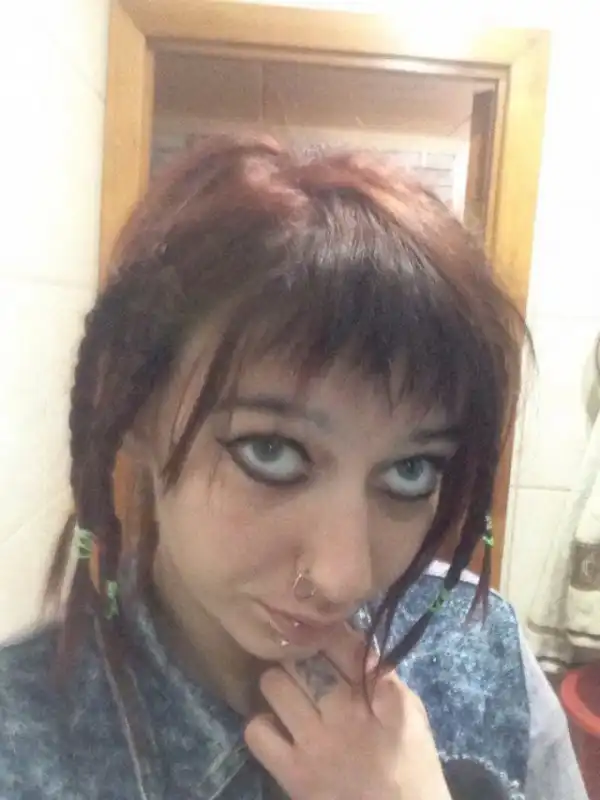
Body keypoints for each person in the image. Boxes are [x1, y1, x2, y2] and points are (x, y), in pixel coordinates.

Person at [0, 135, 588, 800]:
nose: (344, 577)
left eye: (411, 471)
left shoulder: (478, 654)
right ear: (137, 410)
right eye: (272, 453)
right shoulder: (22, 742)